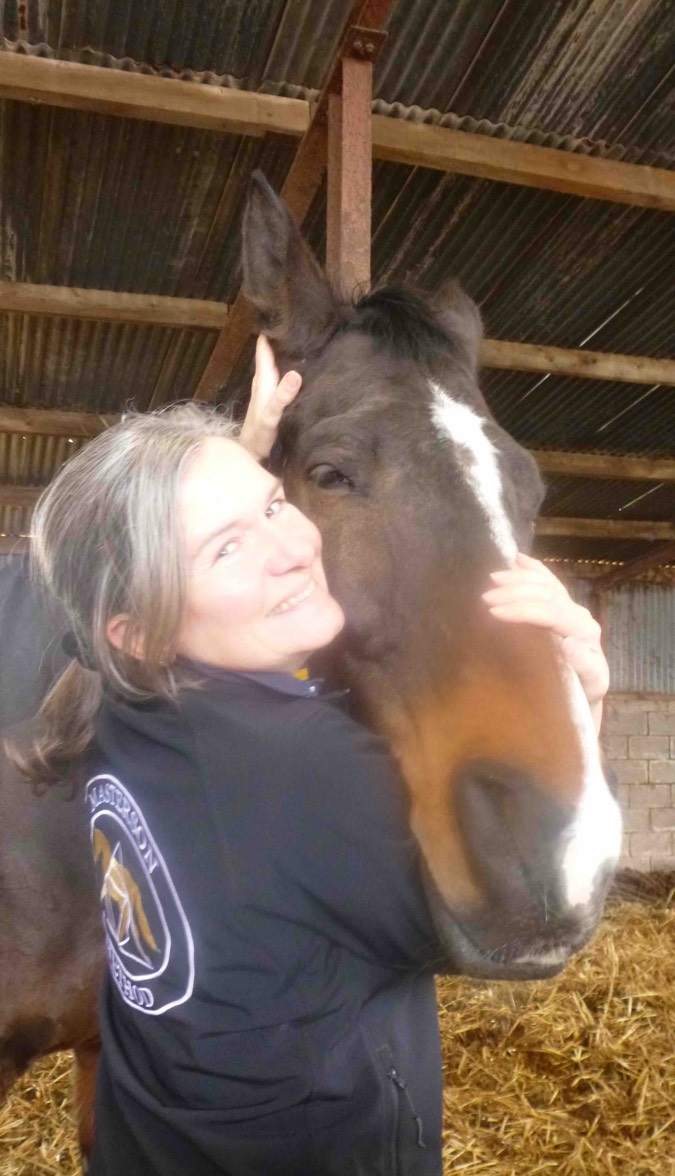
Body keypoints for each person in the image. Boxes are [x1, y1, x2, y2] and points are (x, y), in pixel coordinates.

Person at [15, 339, 610, 1176]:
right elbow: (525, 899)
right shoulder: (309, 776)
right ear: (141, 626)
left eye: (272, 505)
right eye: (227, 549)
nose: (293, 545)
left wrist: (227, 464)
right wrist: (582, 698)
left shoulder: (123, 702)